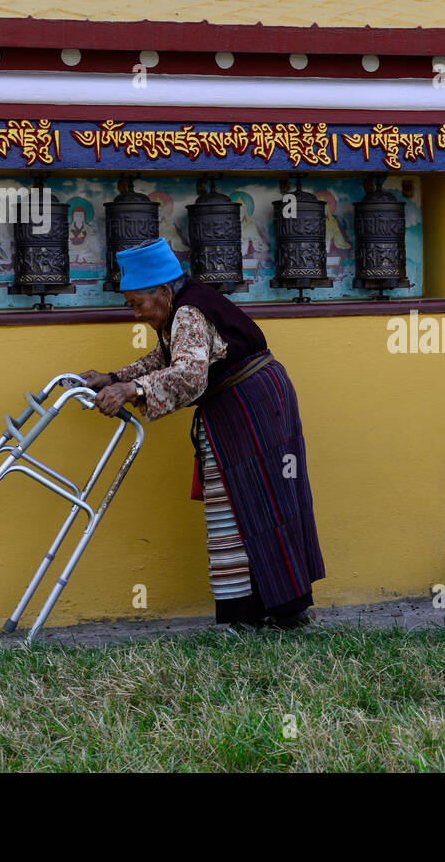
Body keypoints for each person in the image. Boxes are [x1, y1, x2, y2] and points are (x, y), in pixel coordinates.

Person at [79, 237, 325, 629]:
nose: (137, 315)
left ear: (162, 291)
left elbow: (189, 373)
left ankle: (247, 615)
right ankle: (281, 606)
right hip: (254, 399)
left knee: (244, 502)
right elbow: (166, 358)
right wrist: (112, 378)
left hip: (248, 405)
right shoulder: (185, 307)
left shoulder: (188, 311)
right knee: (260, 499)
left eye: (137, 304)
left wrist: (133, 390)